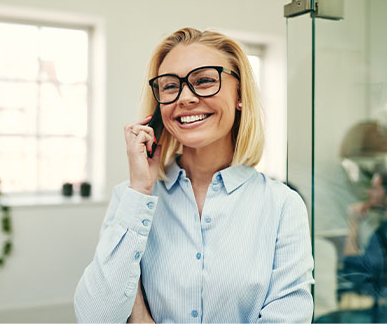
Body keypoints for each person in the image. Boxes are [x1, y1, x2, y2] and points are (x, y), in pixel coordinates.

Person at [74, 27, 314, 323]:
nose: (186, 98)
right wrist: (139, 189)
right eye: (170, 86)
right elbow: (96, 316)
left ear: (240, 94)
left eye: (204, 80)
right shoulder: (131, 198)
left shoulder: (282, 205)